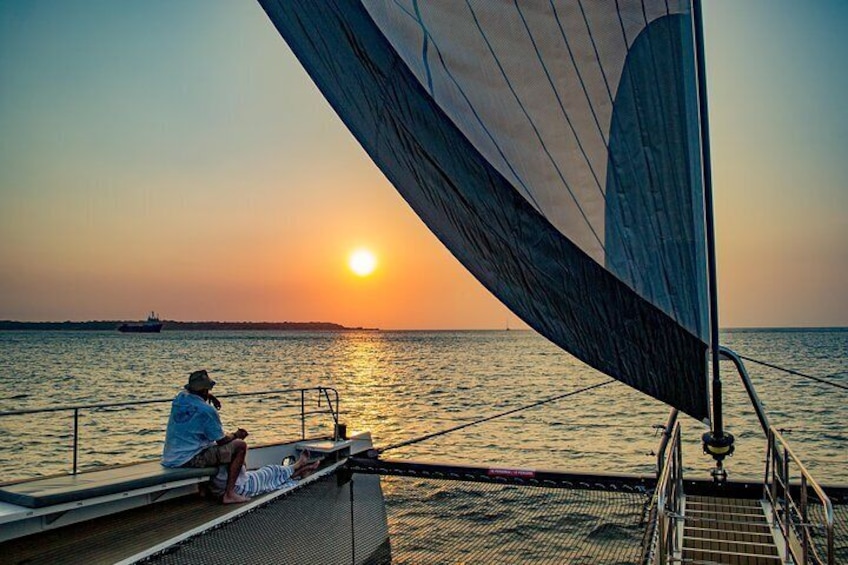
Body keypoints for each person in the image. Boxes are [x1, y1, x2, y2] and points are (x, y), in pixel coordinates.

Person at [161, 369, 251, 504]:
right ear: (204, 390)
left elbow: (195, 395)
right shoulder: (206, 411)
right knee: (239, 446)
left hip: (171, 457)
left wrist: (211, 397)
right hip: (190, 459)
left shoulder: (180, 398)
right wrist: (237, 434)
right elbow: (221, 440)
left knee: (203, 442)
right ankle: (229, 494)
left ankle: (203, 491)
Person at [209, 450, 322, 499]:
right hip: (246, 485)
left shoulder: (210, 464)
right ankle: (297, 466)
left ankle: (303, 469)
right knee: (271, 471)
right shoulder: (228, 454)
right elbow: (243, 468)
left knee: (276, 479)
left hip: (243, 483)